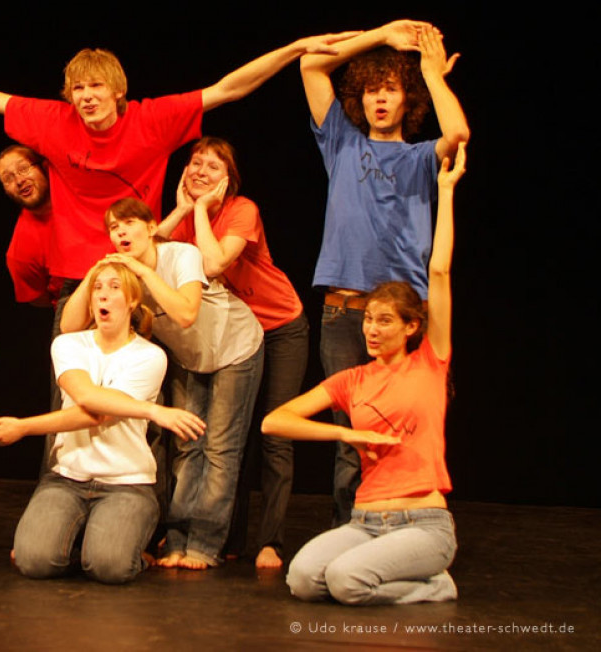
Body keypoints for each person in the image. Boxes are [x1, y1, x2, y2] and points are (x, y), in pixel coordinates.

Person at [0, 31, 357, 307]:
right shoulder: (55, 121)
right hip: (75, 281)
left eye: (96, 87)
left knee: (138, 398)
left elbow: (228, 88)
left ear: (117, 91)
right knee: (69, 399)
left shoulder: (152, 120)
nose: (86, 98)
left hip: (140, 274)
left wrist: (293, 50)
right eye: (78, 89)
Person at [263, 143, 466, 605]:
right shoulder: (353, 381)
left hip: (423, 522)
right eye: (369, 320)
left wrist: (446, 193)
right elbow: (275, 422)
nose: (371, 330)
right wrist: (345, 438)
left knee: (344, 582)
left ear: (412, 326)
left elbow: (438, 269)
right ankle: (411, 580)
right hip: (364, 521)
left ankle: (435, 584)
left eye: (385, 321)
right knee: (302, 579)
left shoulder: (430, 362)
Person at [299, 20, 469, 525]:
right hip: (344, 311)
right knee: (350, 434)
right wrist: (382, 35)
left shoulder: (420, 157)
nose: (379, 99)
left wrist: (432, 74)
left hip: (400, 315)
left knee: (404, 426)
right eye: (372, 90)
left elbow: (457, 132)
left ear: (406, 101)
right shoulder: (342, 144)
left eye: (390, 90)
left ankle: (404, 525)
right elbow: (311, 62)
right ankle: (349, 531)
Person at [62, 199, 263, 570]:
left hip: (236, 348)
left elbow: (186, 313)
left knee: (219, 449)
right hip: (192, 358)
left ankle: (204, 545)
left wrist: (141, 269)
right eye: (113, 227)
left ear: (151, 227)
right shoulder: (122, 272)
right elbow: (69, 326)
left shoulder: (181, 255)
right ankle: (178, 539)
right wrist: (95, 275)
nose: (120, 232)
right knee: (186, 447)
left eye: (128, 223)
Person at [0, 261, 205, 584]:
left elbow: (98, 414)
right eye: (97, 288)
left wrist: (24, 427)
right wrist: (153, 411)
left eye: (114, 287)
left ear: (131, 300)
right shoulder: (68, 344)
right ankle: (73, 538)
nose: (103, 295)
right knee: (34, 562)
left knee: (109, 568)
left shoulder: (150, 356)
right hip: (67, 479)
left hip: (126, 485)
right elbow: (86, 398)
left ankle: (114, 545)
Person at [158, 137, 308, 569]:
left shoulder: (242, 210)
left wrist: (202, 210)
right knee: (216, 437)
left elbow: (214, 264)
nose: (200, 171)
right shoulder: (189, 217)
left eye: (212, 166)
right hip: (228, 338)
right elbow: (151, 248)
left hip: (277, 326)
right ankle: (225, 540)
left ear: (228, 180)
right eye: (194, 163)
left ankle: (271, 543)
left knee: (273, 436)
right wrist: (185, 209)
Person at [0, 145, 62, 307]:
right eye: (8, 179)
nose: (19, 181)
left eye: (23, 169)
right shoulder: (20, 251)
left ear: (44, 166)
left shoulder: (79, 193)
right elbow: (39, 299)